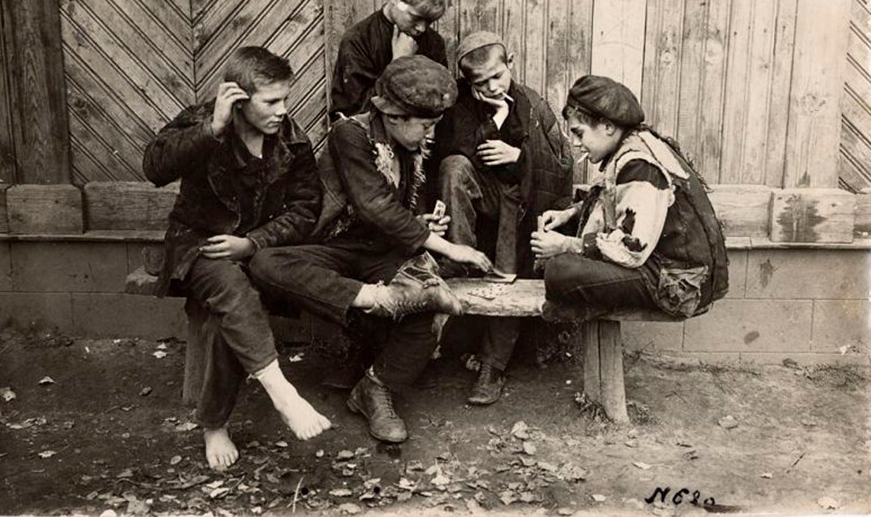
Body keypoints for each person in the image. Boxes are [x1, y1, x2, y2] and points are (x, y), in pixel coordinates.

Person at [251, 56, 493, 444]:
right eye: (426, 126)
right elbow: (374, 204)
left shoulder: (409, 146)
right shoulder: (350, 134)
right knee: (265, 262)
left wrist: (420, 226)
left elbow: (394, 211)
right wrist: (450, 247)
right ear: (394, 116)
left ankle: (376, 388)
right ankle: (379, 299)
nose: (431, 136)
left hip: (378, 252)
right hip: (332, 246)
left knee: (429, 305)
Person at [143, 47, 331, 472]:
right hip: (199, 247)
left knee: (234, 300)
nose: (283, 110)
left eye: (286, 98)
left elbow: (305, 208)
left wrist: (252, 244)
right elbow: (153, 167)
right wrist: (212, 128)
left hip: (258, 252)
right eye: (271, 101)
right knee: (229, 286)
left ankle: (215, 423)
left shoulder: (292, 139)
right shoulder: (205, 121)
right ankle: (281, 395)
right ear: (239, 99)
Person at [432, 31, 574, 405]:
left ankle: (492, 368)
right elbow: (455, 154)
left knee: (512, 243)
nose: (493, 86)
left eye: (498, 76)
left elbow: (560, 167)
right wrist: (495, 119)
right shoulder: (460, 106)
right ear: (467, 82)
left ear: (510, 62)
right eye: (481, 82)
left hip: (522, 210)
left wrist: (520, 157)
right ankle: (458, 258)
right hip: (475, 209)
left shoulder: (531, 105)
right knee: (454, 166)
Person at [531, 75, 729, 319]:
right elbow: (614, 199)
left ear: (607, 126)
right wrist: (568, 214)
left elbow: (632, 249)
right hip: (659, 264)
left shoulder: (639, 165)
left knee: (560, 270)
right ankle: (582, 302)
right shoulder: (630, 145)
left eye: (579, 133)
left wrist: (566, 245)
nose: (574, 143)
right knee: (565, 249)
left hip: (677, 281)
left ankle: (582, 306)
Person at [329, 0, 454, 121]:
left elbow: (441, 102)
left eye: (430, 21)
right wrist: (398, 64)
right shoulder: (358, 40)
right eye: (415, 17)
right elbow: (353, 113)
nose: (421, 28)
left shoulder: (433, 42)